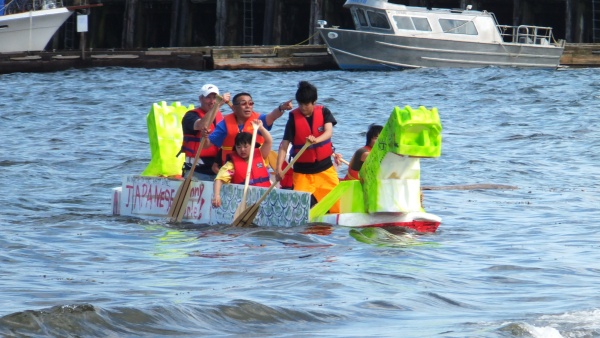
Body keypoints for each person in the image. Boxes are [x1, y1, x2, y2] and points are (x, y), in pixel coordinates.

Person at [275, 81, 340, 213]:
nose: (303, 108)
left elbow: (328, 132)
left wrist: (316, 140)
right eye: (300, 104)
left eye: (306, 104)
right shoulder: (293, 118)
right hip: (302, 173)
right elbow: (284, 146)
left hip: (325, 170)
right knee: (300, 211)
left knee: (337, 208)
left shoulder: (324, 112)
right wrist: (278, 170)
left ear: (314, 102)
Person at [203, 92, 292, 165]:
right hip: (232, 168)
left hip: (256, 165)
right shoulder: (224, 124)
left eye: (250, 103)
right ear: (234, 108)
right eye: (243, 103)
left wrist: (281, 108)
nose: (248, 106)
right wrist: (205, 136)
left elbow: (272, 116)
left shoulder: (258, 120)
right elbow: (206, 145)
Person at [212, 120, 272, 208]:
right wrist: (217, 195)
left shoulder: (261, 155)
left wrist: (261, 128)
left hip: (264, 198)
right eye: (239, 147)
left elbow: (269, 141)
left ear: (252, 146)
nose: (242, 150)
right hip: (245, 200)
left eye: (245, 146)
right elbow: (219, 179)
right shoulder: (231, 165)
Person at [179, 84, 231, 181]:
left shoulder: (221, 117)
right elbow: (202, 125)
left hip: (217, 168)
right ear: (200, 99)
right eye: (208, 98)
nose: (212, 101)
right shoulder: (190, 116)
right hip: (197, 170)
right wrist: (218, 105)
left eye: (215, 98)